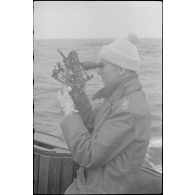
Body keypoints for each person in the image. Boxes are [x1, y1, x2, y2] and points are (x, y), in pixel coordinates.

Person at [57, 33, 151, 194]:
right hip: (91, 184)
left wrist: (68, 111)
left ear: (121, 69)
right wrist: (77, 94)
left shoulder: (129, 109)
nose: (99, 71)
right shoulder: (118, 98)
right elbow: (92, 122)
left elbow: (89, 155)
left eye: (103, 66)